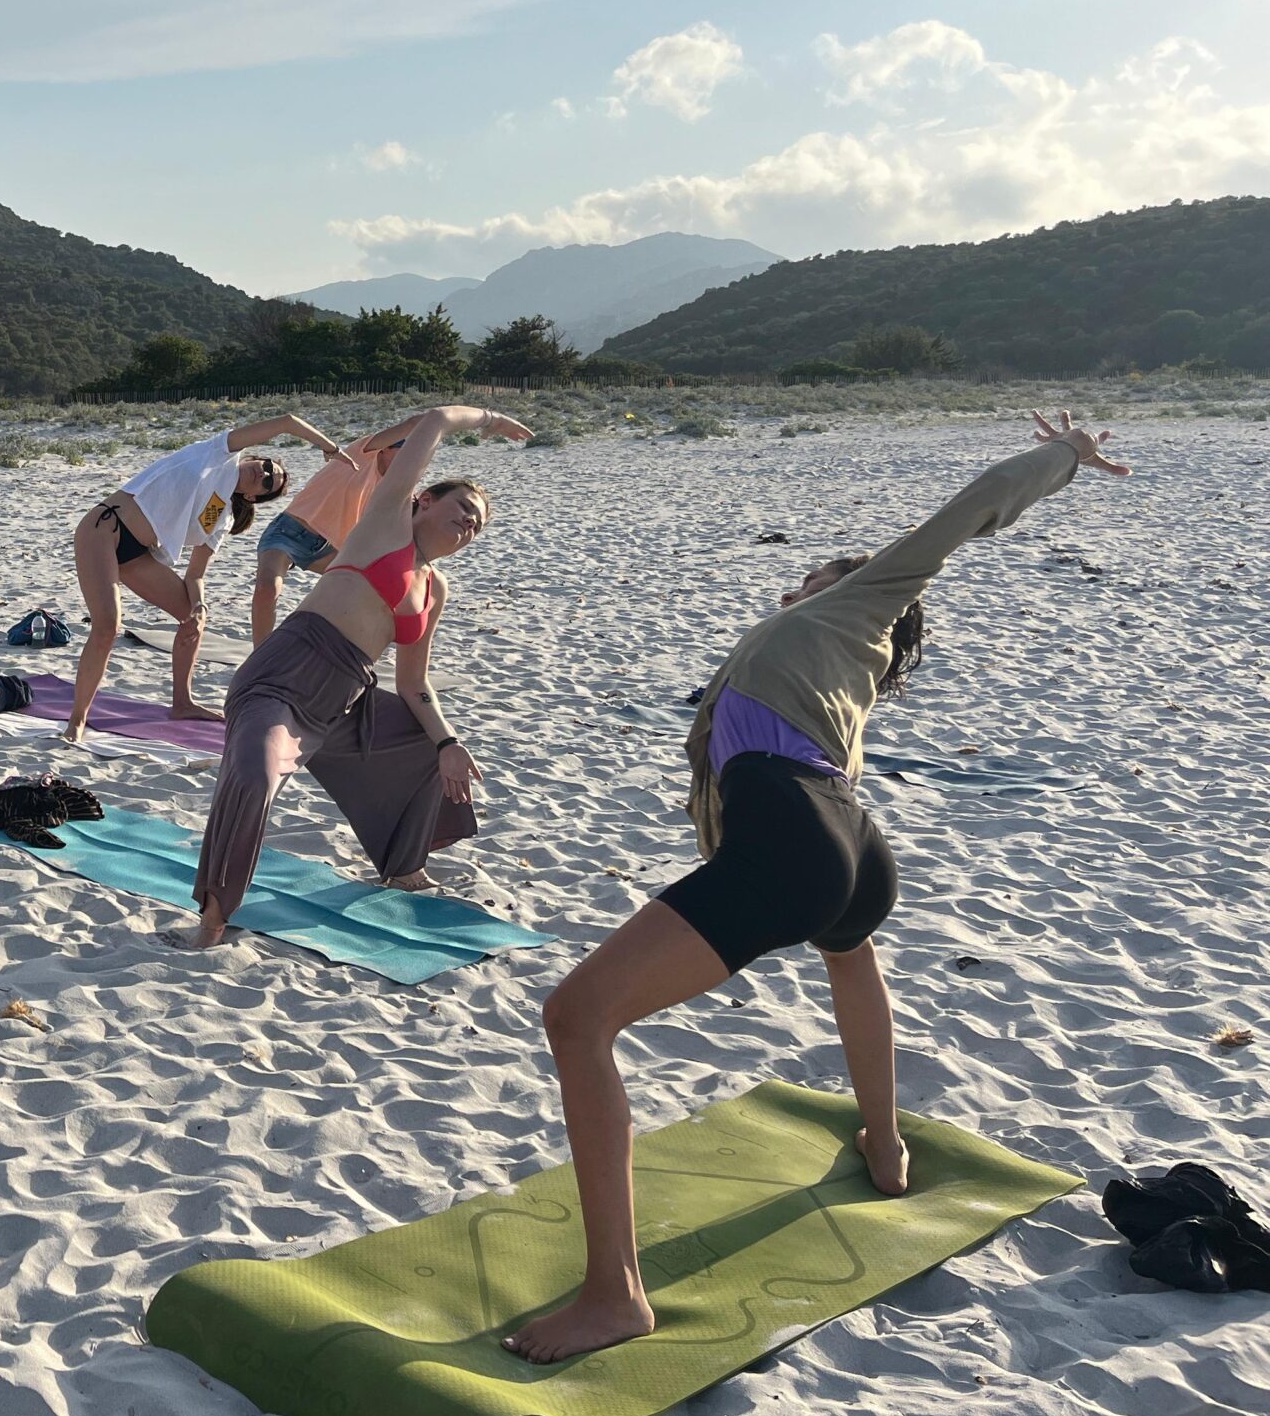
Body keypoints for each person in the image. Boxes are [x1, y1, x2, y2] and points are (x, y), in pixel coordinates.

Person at [504, 412, 1130, 1363]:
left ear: (857, 593)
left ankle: (615, 1296)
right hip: (850, 846)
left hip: (800, 834)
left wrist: (1061, 461)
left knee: (576, 1019)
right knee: (852, 963)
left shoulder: (858, 606)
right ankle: (883, 1146)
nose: (801, 584)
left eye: (820, 576)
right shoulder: (836, 677)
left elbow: (963, 517)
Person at [190, 405, 531, 944]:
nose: (470, 523)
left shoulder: (434, 588)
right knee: (255, 778)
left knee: (424, 745)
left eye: (479, 523)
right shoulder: (385, 524)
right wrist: (487, 418)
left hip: (346, 697)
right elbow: (437, 420)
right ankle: (213, 916)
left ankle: (401, 866)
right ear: (423, 501)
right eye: (463, 507)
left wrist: (449, 741)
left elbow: (416, 684)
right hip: (282, 678)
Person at [64, 414, 343, 743]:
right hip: (104, 528)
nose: (264, 473)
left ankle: (182, 703)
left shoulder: (218, 514)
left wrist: (198, 606)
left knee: (193, 617)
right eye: (267, 466)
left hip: (137, 553)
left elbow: (196, 574)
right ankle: (77, 720)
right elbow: (286, 422)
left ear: (254, 497)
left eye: (269, 482)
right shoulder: (219, 454)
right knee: (108, 625)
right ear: (254, 456)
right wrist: (330, 448)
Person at [250, 409, 455, 643]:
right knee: (268, 589)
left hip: (329, 548)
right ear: (388, 448)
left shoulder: (396, 490)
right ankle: (259, 656)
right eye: (405, 452)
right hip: (288, 532)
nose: (411, 462)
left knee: (369, 592)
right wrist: (458, 420)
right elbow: (412, 423)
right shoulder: (362, 455)